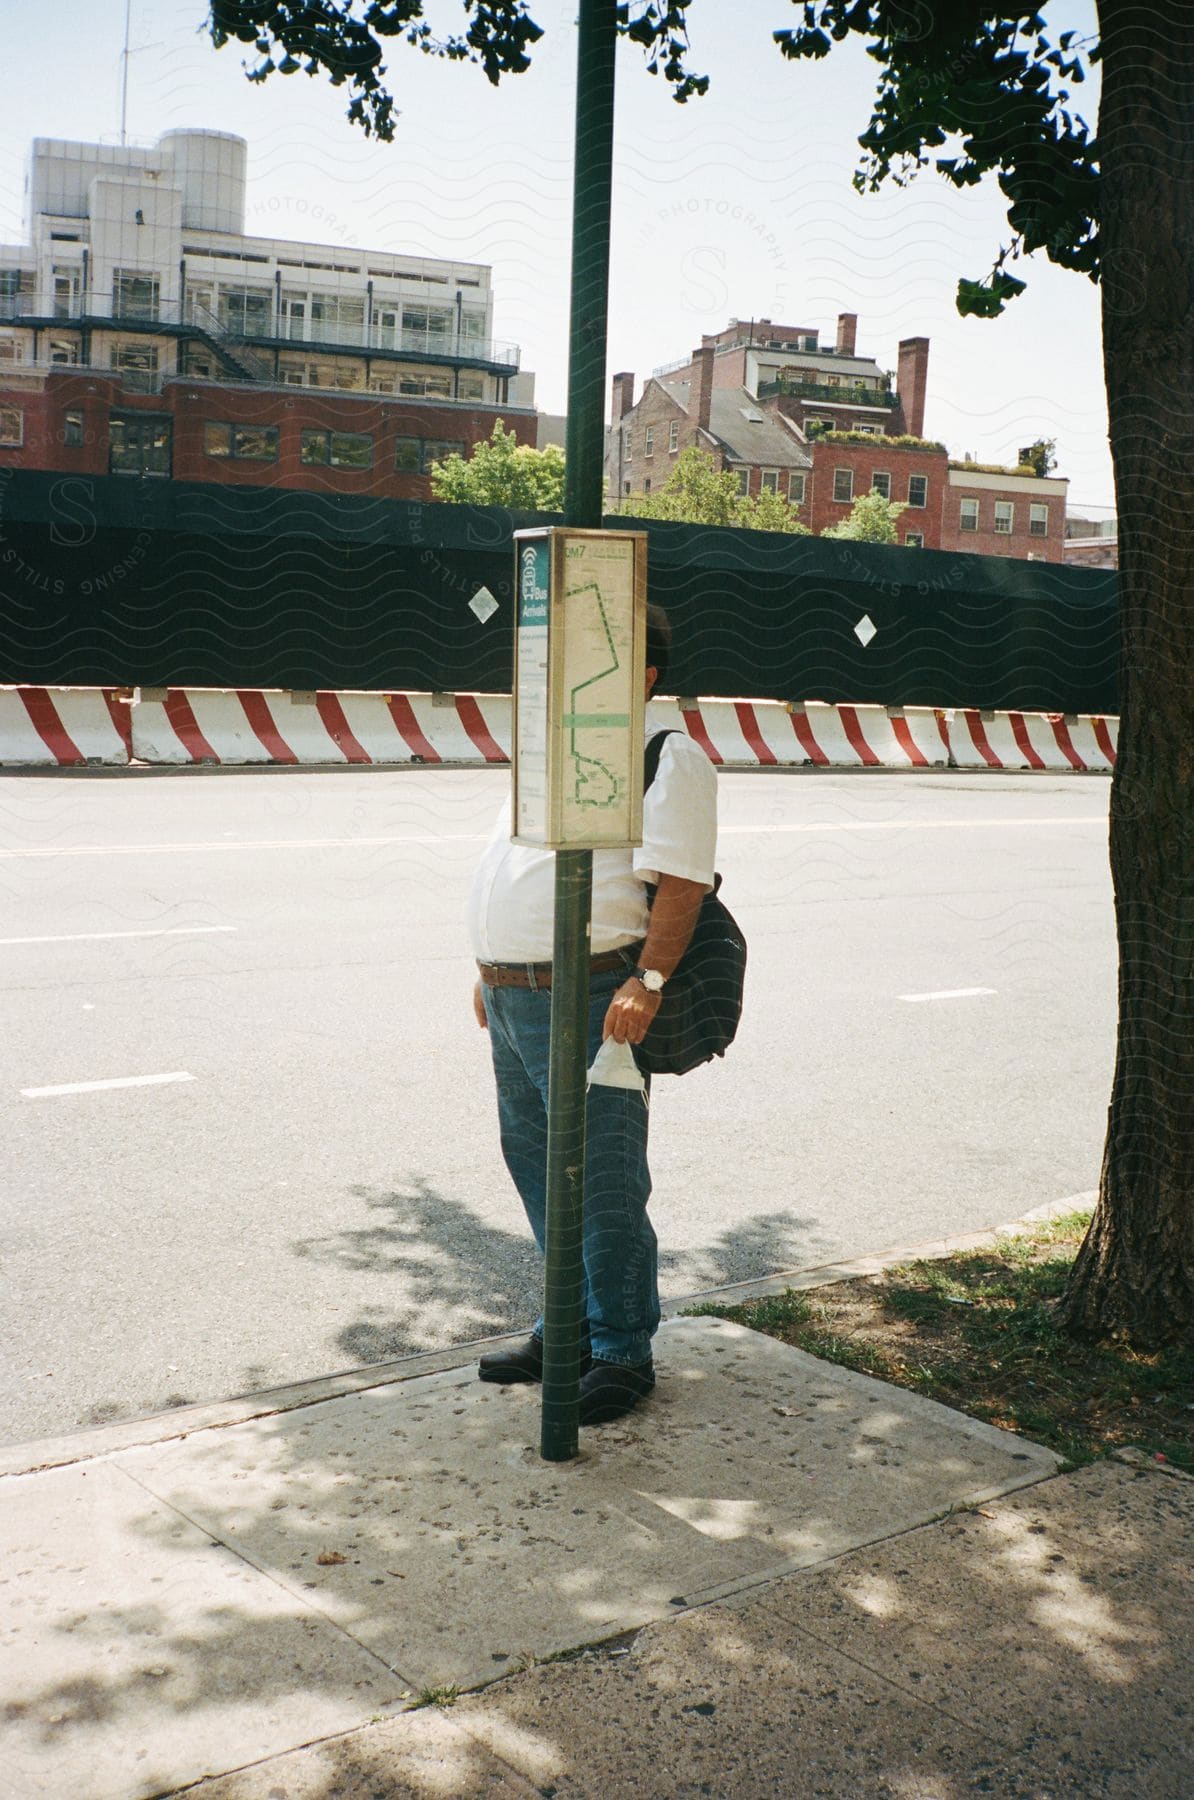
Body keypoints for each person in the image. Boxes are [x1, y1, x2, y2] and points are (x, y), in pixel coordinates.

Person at [467, 603, 718, 1424]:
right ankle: (567, 1325)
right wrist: (491, 967)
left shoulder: (665, 756)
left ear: (643, 675)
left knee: (601, 1178)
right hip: (515, 997)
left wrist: (647, 981)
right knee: (538, 1167)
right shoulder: (557, 751)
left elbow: (681, 883)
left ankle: (619, 1347)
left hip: (591, 996)